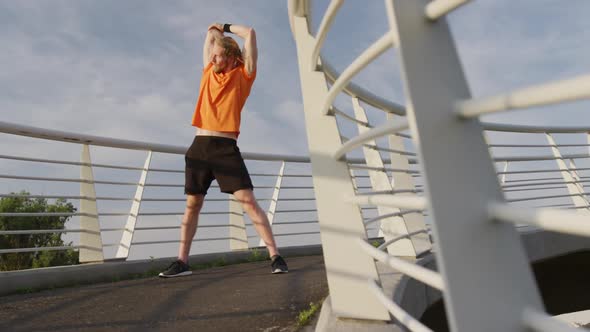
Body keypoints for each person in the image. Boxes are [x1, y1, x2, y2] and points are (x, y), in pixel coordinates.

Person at [159, 22, 288, 277]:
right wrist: (216, 28)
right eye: (213, 54)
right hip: (200, 147)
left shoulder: (244, 76)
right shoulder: (208, 71)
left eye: (218, 55)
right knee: (192, 204)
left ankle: (275, 256)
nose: (213, 57)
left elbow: (250, 33)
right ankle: (182, 262)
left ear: (230, 56)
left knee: (248, 202)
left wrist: (227, 26)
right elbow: (210, 36)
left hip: (226, 148)